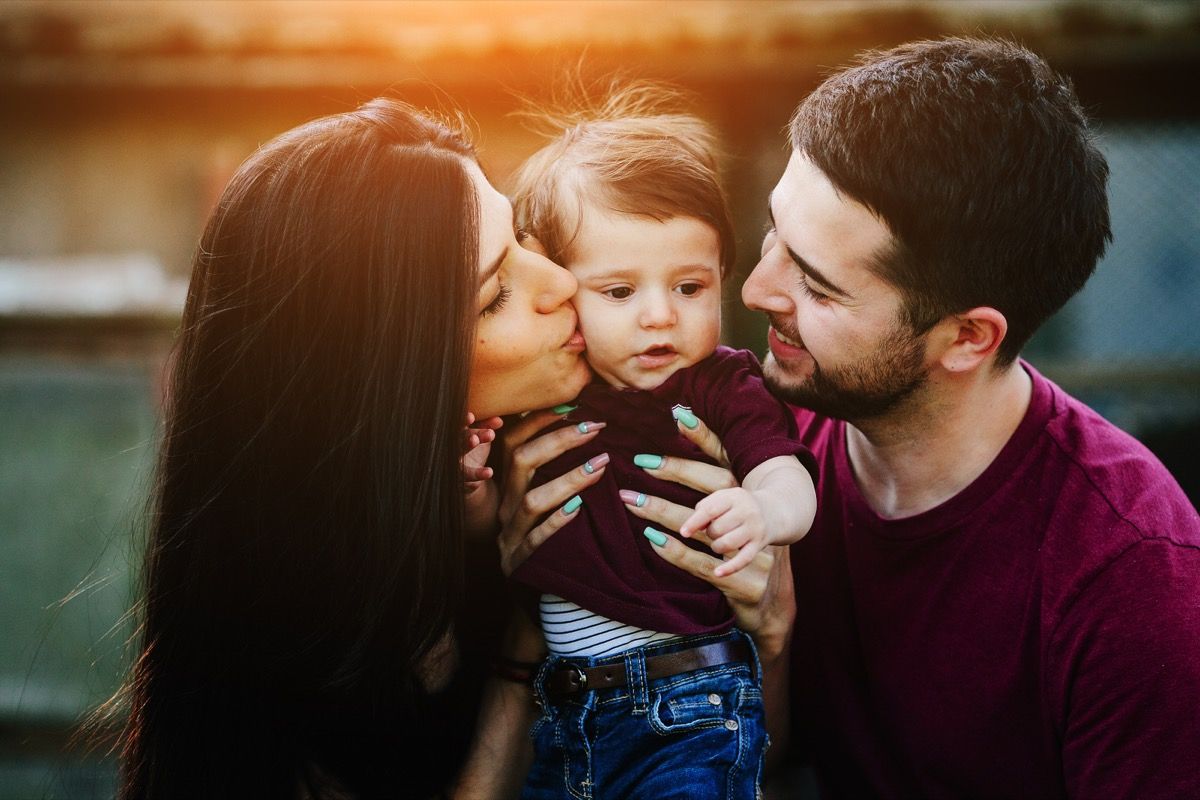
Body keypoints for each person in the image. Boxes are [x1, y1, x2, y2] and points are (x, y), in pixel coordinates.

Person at [624, 37, 1200, 798]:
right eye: (775, 233)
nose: (758, 288)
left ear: (966, 338)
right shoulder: (754, 448)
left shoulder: (1133, 582)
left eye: (819, 287)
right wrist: (771, 640)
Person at [113, 98, 603, 799]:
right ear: (384, 381)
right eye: (495, 295)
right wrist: (526, 644)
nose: (562, 283)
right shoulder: (292, 654)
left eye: (525, 238)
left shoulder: (551, 465)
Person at [501, 86, 817, 798]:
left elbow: (785, 471)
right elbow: (488, 520)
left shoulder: (717, 385)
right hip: (566, 709)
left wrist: (765, 513)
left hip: (692, 702)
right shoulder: (543, 393)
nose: (658, 317)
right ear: (558, 291)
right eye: (618, 292)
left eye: (688, 287)